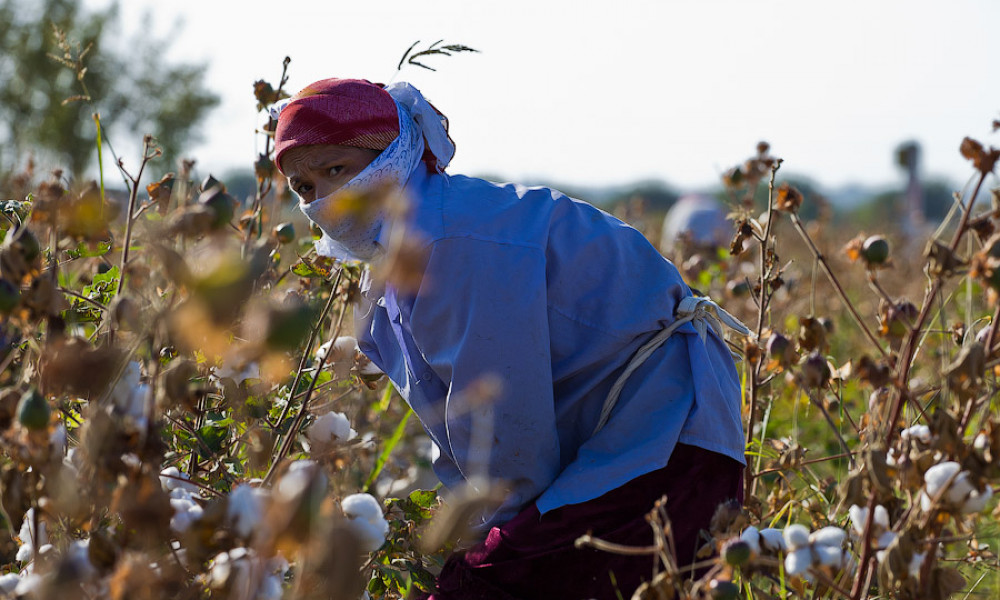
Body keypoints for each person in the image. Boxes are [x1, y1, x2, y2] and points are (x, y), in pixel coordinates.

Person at [274, 78, 747, 600]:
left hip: (667, 443)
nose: (323, 200)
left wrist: (491, 547)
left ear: (391, 155)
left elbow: (504, 430)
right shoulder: (399, 270)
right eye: (304, 187)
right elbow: (458, 428)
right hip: (629, 444)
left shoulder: (453, 242)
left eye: (337, 170)